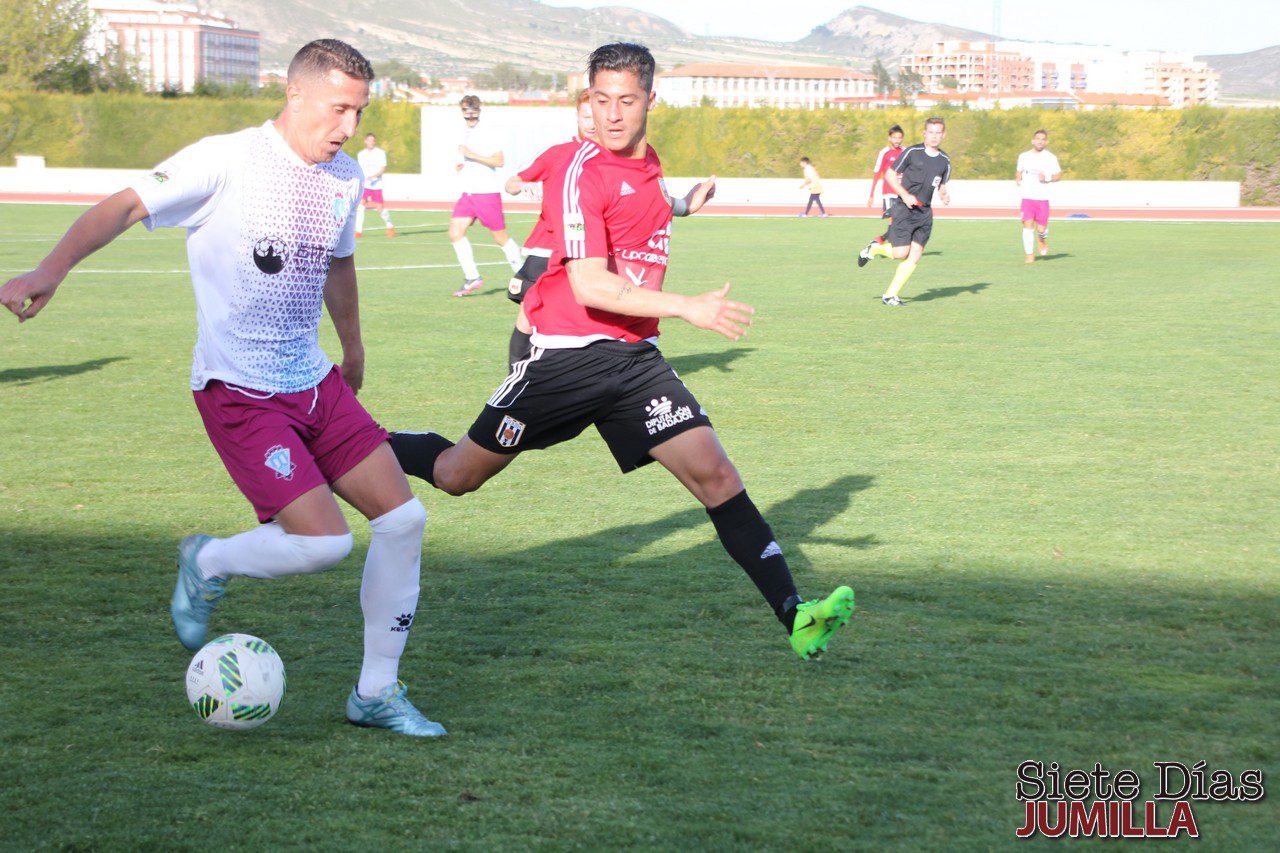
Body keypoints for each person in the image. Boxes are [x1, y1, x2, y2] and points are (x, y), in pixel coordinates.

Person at [0, 39, 444, 738]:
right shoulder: (226, 159)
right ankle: (207, 559)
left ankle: (376, 691)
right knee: (323, 544)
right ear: (295, 96)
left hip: (314, 379)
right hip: (240, 390)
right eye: (338, 110)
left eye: (358, 112)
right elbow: (121, 206)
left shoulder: (346, 175)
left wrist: (353, 345)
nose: (347, 128)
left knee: (404, 520)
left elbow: (338, 263)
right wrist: (49, 270)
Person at [391, 43, 855, 662]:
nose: (611, 114)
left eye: (626, 100)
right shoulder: (582, 169)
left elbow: (645, 213)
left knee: (717, 477)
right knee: (455, 475)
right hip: (566, 358)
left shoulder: (649, 165)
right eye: (600, 100)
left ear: (650, 102)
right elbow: (589, 284)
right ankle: (356, 441)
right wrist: (688, 306)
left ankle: (796, 615)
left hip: (635, 362)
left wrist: (684, 204)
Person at [501, 89, 716, 370]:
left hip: (594, 256)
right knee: (531, 317)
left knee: (574, 324)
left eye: (596, 115)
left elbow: (651, 200)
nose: (592, 122)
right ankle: (520, 380)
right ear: (577, 116)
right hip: (552, 249)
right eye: (586, 116)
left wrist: (686, 204)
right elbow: (513, 183)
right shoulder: (561, 154)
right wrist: (525, 186)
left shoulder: (632, 157)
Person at [857, 117, 951, 305]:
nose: (934, 136)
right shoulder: (912, 152)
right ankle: (874, 248)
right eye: (930, 132)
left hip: (925, 213)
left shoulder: (945, 161)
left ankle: (890, 295)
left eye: (938, 132)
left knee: (915, 255)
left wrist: (943, 194)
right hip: (904, 208)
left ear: (943, 135)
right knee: (900, 253)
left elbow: (941, 183)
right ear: (924, 133)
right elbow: (890, 174)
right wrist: (905, 194)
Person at [449, 95, 523, 296]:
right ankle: (472, 277)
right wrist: (465, 164)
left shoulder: (488, 132)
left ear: (479, 111)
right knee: (455, 232)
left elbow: (499, 161)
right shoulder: (465, 132)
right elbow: (474, 159)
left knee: (500, 238)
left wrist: (471, 155)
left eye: (473, 111)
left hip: (486, 193)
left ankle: (524, 276)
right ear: (462, 111)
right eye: (466, 111)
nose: (470, 115)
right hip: (469, 193)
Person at [1015, 129, 1062, 263]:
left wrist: (1047, 178)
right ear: (1033, 141)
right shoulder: (1024, 156)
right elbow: (1019, 172)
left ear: (1046, 142)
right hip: (1027, 198)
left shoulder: (1050, 158)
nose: (1040, 141)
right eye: (1038, 139)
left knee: (1041, 229)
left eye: (1043, 139)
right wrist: (1018, 178)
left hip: (1042, 198)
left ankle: (1041, 239)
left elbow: (1059, 175)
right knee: (1027, 225)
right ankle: (1029, 254)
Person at [865, 124, 905, 246]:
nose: (897, 140)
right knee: (895, 221)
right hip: (889, 193)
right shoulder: (884, 153)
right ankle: (885, 242)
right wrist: (871, 195)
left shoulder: (905, 151)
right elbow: (877, 174)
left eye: (899, 138)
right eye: (894, 137)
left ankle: (879, 241)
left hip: (902, 193)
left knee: (897, 224)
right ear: (889, 138)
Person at [355, 132, 395, 238]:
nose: (371, 142)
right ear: (365, 141)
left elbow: (383, 168)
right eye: (369, 140)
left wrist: (374, 176)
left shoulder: (380, 153)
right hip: (366, 185)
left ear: (375, 142)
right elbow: (360, 169)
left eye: (373, 140)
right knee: (361, 206)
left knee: (379, 208)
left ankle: (389, 225)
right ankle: (358, 231)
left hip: (377, 184)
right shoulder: (361, 154)